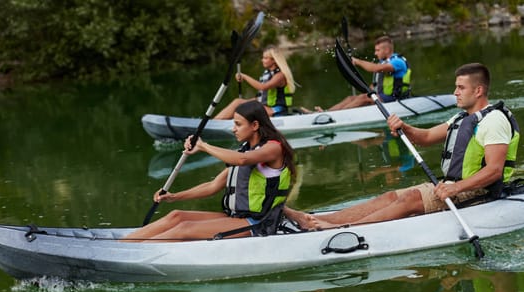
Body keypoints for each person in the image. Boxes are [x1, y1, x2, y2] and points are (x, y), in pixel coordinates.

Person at [285, 63, 520, 230]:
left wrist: (454, 190)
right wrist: (404, 127)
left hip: (479, 192)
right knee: (390, 196)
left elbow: (494, 171)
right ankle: (321, 220)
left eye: (460, 88)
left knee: (410, 200)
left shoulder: (494, 120)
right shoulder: (462, 118)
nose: (455, 93)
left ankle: (341, 229)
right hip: (452, 186)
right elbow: (426, 136)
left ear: (478, 90)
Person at [125, 100, 296, 241]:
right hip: (236, 218)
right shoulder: (246, 149)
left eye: (238, 124)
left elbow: (241, 160)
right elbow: (213, 185)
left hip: (259, 222)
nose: (233, 129)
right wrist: (174, 196)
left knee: (185, 228)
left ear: (255, 125)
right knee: (176, 216)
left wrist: (203, 146)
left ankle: (134, 253)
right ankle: (123, 244)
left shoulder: (273, 148)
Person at [304, 35, 410, 113]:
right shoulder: (384, 62)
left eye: (377, 50)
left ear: (386, 50)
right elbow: (375, 86)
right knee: (351, 98)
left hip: (394, 99)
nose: (375, 53)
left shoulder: (398, 62)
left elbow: (376, 68)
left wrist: (357, 61)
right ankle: (325, 112)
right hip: (383, 97)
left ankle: (335, 116)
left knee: (363, 98)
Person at [214, 46, 296, 120]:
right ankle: (215, 122)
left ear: (274, 60)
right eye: (263, 58)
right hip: (266, 108)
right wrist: (245, 102)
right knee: (238, 102)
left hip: (275, 110)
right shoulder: (268, 74)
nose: (262, 60)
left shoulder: (280, 76)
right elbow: (261, 97)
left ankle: (215, 123)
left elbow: (262, 87)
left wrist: (245, 77)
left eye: (265, 58)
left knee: (238, 103)